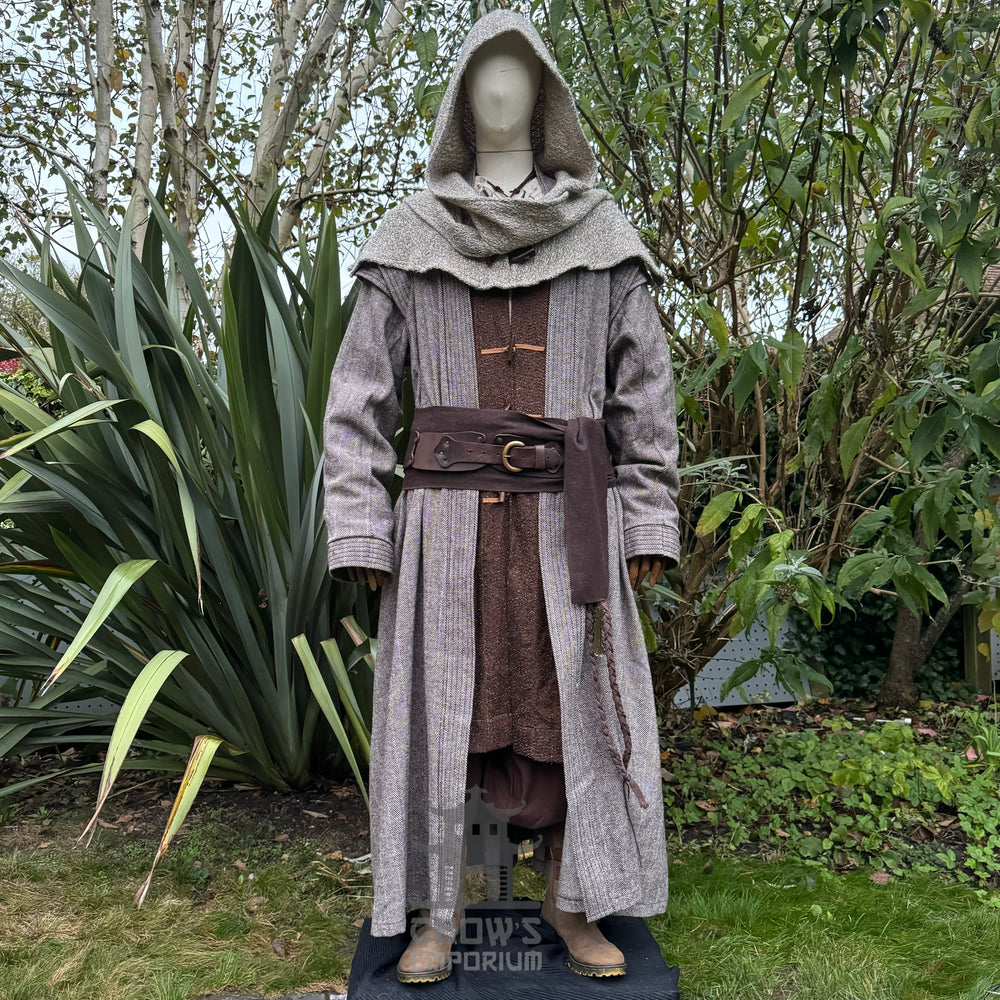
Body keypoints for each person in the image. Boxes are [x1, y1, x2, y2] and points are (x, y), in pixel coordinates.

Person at [323, 8, 680, 985]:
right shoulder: (410, 237)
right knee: (450, 717)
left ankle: (572, 903)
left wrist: (648, 518)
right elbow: (356, 399)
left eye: (520, 71)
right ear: (459, 97)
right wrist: (360, 527)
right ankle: (439, 915)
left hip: (570, 526)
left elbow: (644, 400)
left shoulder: (603, 241)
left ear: (547, 95)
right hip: (446, 532)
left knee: (571, 722)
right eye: (486, 69)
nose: (501, 88)